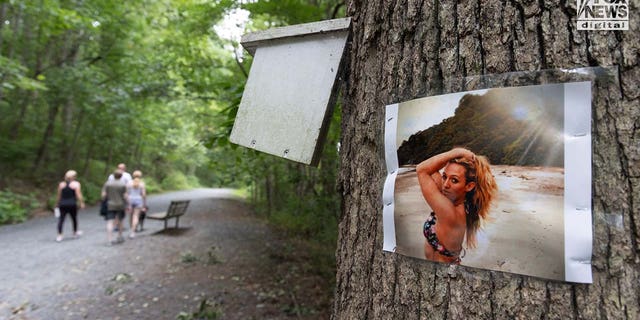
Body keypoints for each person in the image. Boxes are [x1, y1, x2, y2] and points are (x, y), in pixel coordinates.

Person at [416, 147, 497, 264]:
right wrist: (454, 158)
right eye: (444, 176)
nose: (445, 185)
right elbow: (433, 170)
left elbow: (421, 170)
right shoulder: (456, 200)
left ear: (469, 186)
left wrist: (456, 153)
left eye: (454, 180)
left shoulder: (449, 212)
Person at [55, 170, 85, 242]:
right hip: (72, 204)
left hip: (63, 204)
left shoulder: (61, 184)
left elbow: (59, 195)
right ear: (74, 177)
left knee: (61, 219)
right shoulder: (76, 184)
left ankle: (60, 235)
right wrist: (81, 202)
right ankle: (74, 232)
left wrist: (57, 203)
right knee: (74, 218)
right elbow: (78, 194)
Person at [102, 169, 128, 245]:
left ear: (113, 175)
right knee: (120, 220)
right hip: (120, 205)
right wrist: (128, 204)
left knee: (110, 222)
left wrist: (104, 200)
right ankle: (120, 236)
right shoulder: (123, 184)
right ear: (121, 176)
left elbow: (103, 195)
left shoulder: (108, 184)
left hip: (110, 205)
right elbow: (125, 195)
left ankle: (110, 239)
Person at [126, 170, 147, 238]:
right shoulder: (142, 184)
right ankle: (133, 232)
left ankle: (131, 229)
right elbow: (143, 195)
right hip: (138, 200)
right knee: (136, 216)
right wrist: (144, 204)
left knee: (130, 216)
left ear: (133, 175)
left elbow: (126, 193)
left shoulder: (129, 183)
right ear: (140, 176)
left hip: (130, 200)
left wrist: (127, 202)